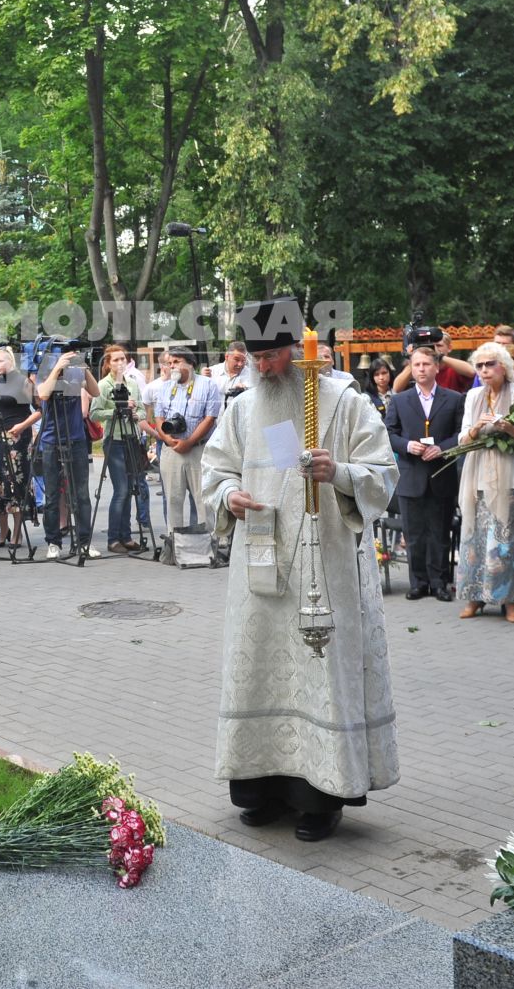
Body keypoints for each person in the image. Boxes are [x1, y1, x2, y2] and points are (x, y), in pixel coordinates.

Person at [201, 297, 399, 842]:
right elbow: (214, 468)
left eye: (273, 355)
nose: (264, 367)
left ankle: (321, 800)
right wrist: (228, 495)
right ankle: (259, 788)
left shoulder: (342, 402)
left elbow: (384, 472)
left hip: (324, 561)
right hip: (262, 562)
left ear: (297, 348)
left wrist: (339, 471)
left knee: (319, 673)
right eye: (255, 356)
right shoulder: (242, 408)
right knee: (260, 666)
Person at [454, 343, 514, 622]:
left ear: (505, 367)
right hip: (479, 474)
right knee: (475, 538)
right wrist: (476, 428)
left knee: (508, 541)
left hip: (512, 475)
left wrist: (509, 428)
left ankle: (511, 601)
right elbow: (462, 439)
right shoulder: (473, 396)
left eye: (490, 364)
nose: (484, 370)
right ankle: (475, 597)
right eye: (480, 366)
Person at [385, 346, 465, 602]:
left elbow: (461, 435)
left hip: (442, 474)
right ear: (411, 367)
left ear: (436, 367)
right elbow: (388, 434)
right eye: (416, 364)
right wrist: (408, 446)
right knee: (415, 534)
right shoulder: (399, 399)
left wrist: (443, 448)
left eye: (426, 364)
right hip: (412, 475)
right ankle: (418, 582)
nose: (421, 369)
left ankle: (440, 582)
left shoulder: (453, 399)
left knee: (440, 533)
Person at [142, 350, 224, 557]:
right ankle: (175, 548)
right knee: (173, 499)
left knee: (203, 500)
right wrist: (167, 439)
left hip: (198, 449)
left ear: (190, 364)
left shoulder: (208, 385)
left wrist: (189, 442)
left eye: (176, 362)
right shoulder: (164, 388)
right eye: (169, 363)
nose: (172, 367)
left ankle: (209, 547)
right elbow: (159, 418)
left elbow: (210, 418)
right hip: (171, 450)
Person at [35, 345, 99, 561]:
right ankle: (53, 542)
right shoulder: (44, 373)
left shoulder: (76, 372)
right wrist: (57, 368)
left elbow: (96, 392)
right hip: (52, 440)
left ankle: (83, 542)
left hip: (77, 439)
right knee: (52, 494)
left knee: (81, 494)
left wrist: (84, 368)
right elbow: (43, 394)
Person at [0, 347, 39, 548]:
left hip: (17, 438)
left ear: (10, 361)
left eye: (1, 361)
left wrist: (22, 426)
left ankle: (17, 532)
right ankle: (2, 529)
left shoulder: (23, 381)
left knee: (15, 483)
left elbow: (40, 411)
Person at [92, 344, 146, 553]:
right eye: (115, 360)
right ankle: (113, 539)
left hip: (131, 437)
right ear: (108, 363)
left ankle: (127, 536)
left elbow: (142, 410)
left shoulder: (132, 383)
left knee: (131, 488)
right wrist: (118, 409)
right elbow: (94, 413)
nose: (120, 363)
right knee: (121, 490)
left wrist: (135, 414)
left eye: (123, 359)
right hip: (114, 440)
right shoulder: (104, 385)